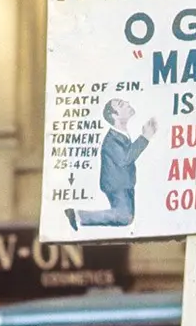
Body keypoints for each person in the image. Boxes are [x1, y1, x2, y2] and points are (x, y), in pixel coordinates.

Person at [66, 98, 157, 232]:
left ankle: (78, 216)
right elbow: (126, 158)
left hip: (125, 182)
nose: (127, 102)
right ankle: (77, 215)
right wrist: (145, 137)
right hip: (116, 185)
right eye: (121, 104)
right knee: (125, 217)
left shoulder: (121, 135)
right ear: (115, 115)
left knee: (127, 217)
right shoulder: (111, 140)